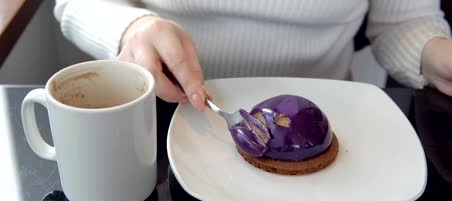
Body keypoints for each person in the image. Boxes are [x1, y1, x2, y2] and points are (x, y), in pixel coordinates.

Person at [54, 0, 451, 112]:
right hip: (166, 114)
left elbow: (405, 19)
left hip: (332, 117)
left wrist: (433, 54)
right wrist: (133, 29)